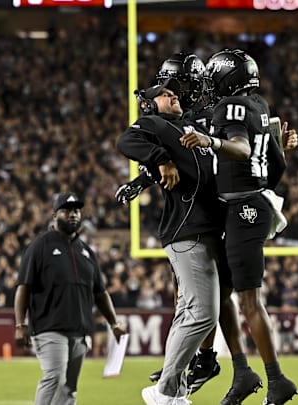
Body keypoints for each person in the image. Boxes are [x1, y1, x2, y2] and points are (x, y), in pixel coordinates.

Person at [180, 48, 296, 405]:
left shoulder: (230, 106)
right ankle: (242, 371)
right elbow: (274, 170)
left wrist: (210, 140)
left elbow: (243, 149)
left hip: (244, 208)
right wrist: (280, 150)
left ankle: (277, 380)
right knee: (220, 295)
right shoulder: (258, 106)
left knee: (248, 301)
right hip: (247, 203)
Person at [117, 78, 223, 405]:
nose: (172, 95)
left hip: (204, 229)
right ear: (149, 105)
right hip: (186, 230)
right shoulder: (155, 123)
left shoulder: (186, 126)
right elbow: (127, 140)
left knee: (191, 312)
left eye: (172, 92)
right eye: (163, 94)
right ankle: (164, 390)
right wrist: (160, 158)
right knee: (203, 312)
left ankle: (174, 393)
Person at [14, 191, 126, 405]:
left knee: (69, 389)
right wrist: (20, 324)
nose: (73, 215)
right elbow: (23, 287)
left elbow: (100, 293)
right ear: (54, 215)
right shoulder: (40, 246)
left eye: (76, 211)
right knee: (54, 377)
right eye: (66, 210)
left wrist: (114, 323)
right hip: (49, 328)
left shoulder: (86, 252)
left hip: (80, 331)